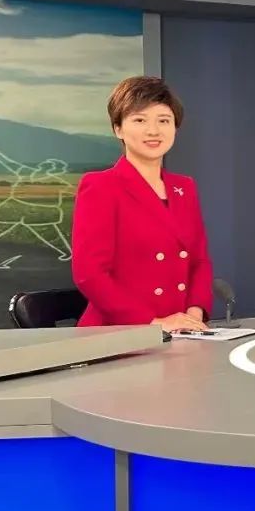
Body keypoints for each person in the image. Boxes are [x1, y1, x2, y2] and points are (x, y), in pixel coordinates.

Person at [71, 76, 213, 332]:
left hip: (180, 332)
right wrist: (153, 324)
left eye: (164, 120)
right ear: (118, 129)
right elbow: (89, 274)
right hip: (120, 334)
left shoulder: (185, 187)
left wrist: (194, 314)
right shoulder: (101, 186)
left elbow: (199, 261)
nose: (153, 131)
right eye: (140, 120)